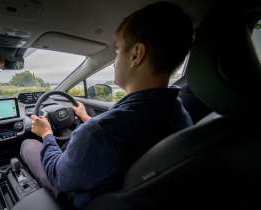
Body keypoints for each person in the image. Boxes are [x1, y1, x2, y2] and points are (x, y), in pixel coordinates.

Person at [20, 2, 193, 209]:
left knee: (28, 146)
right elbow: (123, 140)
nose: (114, 61)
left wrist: (46, 133)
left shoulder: (99, 132)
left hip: (85, 198)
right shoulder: (180, 113)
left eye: (118, 50)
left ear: (137, 54)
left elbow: (59, 176)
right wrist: (86, 118)